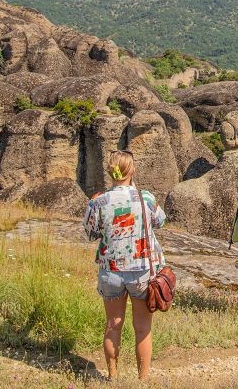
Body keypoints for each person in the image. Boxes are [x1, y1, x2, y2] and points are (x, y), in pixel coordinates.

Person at [83, 150, 166, 381]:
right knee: (142, 328)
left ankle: (112, 376)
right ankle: (143, 380)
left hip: (111, 271)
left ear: (110, 171)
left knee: (112, 325)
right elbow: (161, 220)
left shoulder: (98, 200)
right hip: (141, 271)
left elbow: (90, 233)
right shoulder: (145, 198)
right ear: (132, 170)